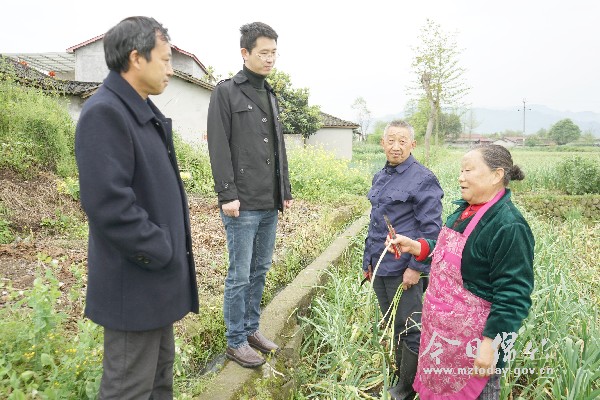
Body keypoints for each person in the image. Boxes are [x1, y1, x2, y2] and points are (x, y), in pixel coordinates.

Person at [74, 16, 199, 398]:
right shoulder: (106, 112)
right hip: (134, 284)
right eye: (165, 59)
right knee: (128, 388)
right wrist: (160, 248)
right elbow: (109, 206)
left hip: (154, 282)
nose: (170, 69)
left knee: (158, 382)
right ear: (136, 58)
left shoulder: (140, 110)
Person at [386, 144, 535, 400]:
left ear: (496, 175)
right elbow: (450, 253)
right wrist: (415, 246)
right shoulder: (464, 211)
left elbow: (513, 295)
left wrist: (491, 344)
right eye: (460, 171)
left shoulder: (509, 226)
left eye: (468, 170)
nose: (460, 177)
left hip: (474, 347)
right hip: (442, 339)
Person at [207, 21, 293, 369]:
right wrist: (227, 194)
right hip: (241, 203)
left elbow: (277, 147)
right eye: (263, 53)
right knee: (239, 275)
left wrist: (284, 190)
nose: (270, 59)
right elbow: (218, 146)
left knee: (259, 270)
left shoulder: (270, 93)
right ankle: (235, 341)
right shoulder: (226, 92)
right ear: (245, 53)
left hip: (268, 201)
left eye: (274, 53)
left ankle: (251, 329)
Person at [362, 120, 444, 399]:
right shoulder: (380, 176)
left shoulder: (423, 179)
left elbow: (431, 231)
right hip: (380, 266)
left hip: (403, 269)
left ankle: (407, 390)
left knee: (409, 327)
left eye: (402, 141)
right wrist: (368, 263)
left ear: (413, 144)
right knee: (392, 322)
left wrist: (416, 268)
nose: (396, 147)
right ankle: (402, 375)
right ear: (382, 143)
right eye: (391, 140)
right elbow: (375, 223)